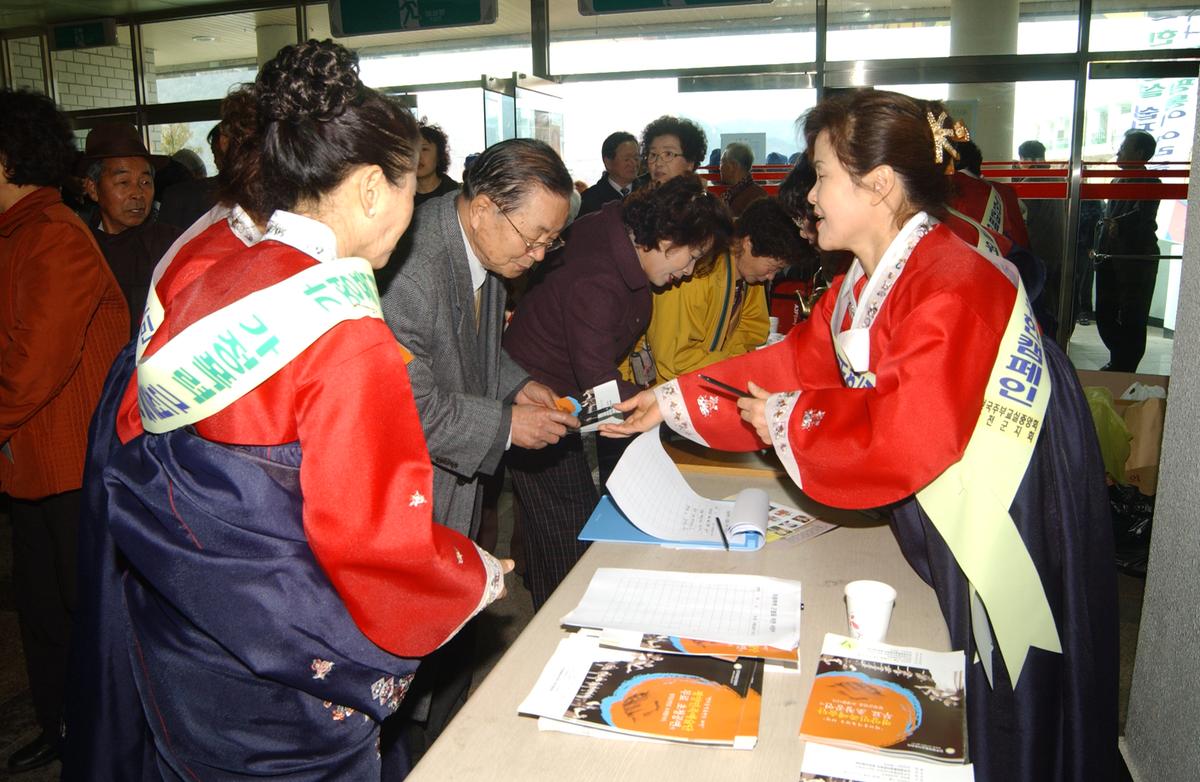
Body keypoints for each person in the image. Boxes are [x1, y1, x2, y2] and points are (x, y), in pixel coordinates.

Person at [606, 89, 1118, 782]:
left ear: (877, 186)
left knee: (999, 666)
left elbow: (908, 434)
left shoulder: (950, 283)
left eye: (821, 175)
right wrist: (670, 401)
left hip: (1006, 491)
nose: (810, 194)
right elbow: (797, 363)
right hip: (949, 481)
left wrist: (786, 419)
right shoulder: (872, 276)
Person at [68, 40, 509, 780]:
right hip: (284, 682)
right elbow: (372, 545)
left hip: (182, 640)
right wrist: (472, 575)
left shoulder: (211, 273)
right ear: (370, 189)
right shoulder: (345, 331)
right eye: (412, 191)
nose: (413, 212)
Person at [378, 137, 578, 751]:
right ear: (485, 205)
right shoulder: (409, 271)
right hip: (411, 494)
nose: (539, 255)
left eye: (551, 241)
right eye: (534, 238)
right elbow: (407, 405)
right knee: (406, 661)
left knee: (449, 644)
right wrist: (507, 426)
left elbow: (473, 349)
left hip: (453, 490)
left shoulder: (483, 245)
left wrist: (519, 385)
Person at [502, 175, 733, 608]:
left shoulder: (616, 234)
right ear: (666, 237)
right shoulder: (598, 278)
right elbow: (600, 389)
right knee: (568, 528)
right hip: (535, 398)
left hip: (561, 390)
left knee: (554, 520)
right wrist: (669, 410)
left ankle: (547, 595)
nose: (687, 273)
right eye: (691, 258)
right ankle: (563, 618)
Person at [0, 88, 128, 775]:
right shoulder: (19, 233)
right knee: (44, 615)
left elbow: (31, 367)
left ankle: (98, 736)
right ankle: (60, 726)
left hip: (71, 470)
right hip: (32, 464)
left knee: (84, 617)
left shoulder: (51, 235)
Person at [645, 197, 810, 384]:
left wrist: (733, 360)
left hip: (707, 374)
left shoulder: (749, 275)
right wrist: (733, 365)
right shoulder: (695, 273)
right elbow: (674, 359)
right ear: (748, 243)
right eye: (772, 267)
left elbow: (754, 329)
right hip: (662, 386)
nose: (771, 277)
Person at [80, 121, 182, 337]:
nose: (137, 194)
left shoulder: (172, 244)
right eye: (123, 182)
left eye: (145, 182)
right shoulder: (76, 248)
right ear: (93, 188)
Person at [1095, 129, 1161, 372]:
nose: (1118, 153)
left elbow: (1141, 215)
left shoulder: (1151, 182)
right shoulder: (1116, 181)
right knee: (1104, 313)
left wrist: (1118, 224)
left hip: (1136, 260)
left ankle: (1125, 366)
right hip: (1109, 258)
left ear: (1140, 153)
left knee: (1133, 316)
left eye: (1123, 148)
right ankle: (1120, 359)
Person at [1016, 139, 1066, 326]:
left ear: (1026, 160)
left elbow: (1019, 217)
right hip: (1058, 248)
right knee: (1054, 298)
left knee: (1040, 302)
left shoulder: (1030, 181)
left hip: (1037, 249)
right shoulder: (1058, 179)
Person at [579, 131, 639, 217]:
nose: (634, 163)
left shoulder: (648, 191)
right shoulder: (590, 199)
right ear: (608, 162)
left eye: (636, 158)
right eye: (627, 159)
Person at [641, 115, 707, 187]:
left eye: (668, 154)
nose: (658, 163)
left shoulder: (698, 194)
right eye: (653, 155)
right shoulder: (639, 193)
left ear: (690, 163)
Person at [413, 121, 459, 207]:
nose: (418, 156)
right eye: (413, 149)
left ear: (439, 155)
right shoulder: (402, 194)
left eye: (424, 149)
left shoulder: (454, 194)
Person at [719, 141, 767, 216]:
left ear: (733, 166)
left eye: (722, 162)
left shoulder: (754, 198)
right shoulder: (758, 194)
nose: (720, 168)